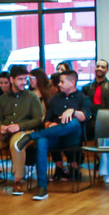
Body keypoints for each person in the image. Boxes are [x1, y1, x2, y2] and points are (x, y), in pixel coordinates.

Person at [13, 70, 91, 201]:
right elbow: (46, 121)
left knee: (74, 123)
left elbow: (84, 116)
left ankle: (31, 136)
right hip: (55, 136)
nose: (59, 84)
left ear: (72, 82)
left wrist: (72, 111)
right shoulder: (56, 99)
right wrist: (50, 125)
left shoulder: (83, 98)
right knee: (42, 141)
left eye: (62, 82)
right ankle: (42, 187)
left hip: (71, 139)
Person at [0, 64, 43, 196]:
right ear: (12, 79)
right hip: (5, 131)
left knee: (16, 144)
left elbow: (38, 119)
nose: (24, 82)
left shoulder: (31, 97)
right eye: (20, 79)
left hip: (24, 131)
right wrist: (0, 127)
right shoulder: (3, 98)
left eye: (25, 79)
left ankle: (18, 181)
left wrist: (19, 126)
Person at [82, 58, 109, 182]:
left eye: (103, 67)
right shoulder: (86, 88)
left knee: (104, 135)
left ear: (107, 70)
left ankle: (104, 169)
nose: (99, 69)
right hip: (90, 121)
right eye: (98, 66)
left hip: (107, 121)